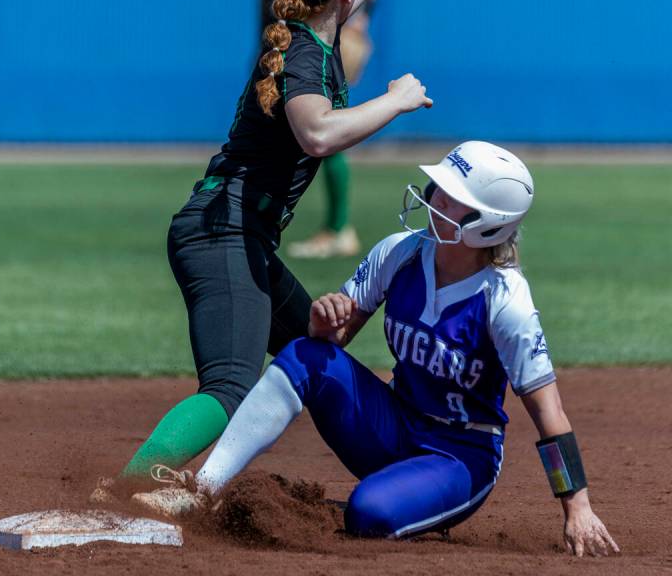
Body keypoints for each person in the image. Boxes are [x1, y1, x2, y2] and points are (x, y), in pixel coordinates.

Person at [130, 142, 620, 558]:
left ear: (486, 225)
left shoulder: (505, 302)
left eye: (451, 197)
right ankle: (203, 489)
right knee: (304, 354)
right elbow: (332, 343)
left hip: (458, 455)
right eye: (438, 188)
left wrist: (577, 506)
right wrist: (324, 323)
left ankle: (407, 502)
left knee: (369, 512)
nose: (433, 197)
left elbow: (549, 413)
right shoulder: (400, 252)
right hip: (394, 422)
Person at [90, 0, 431, 505]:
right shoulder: (303, 54)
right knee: (229, 386)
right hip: (221, 234)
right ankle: (124, 491)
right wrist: (394, 102)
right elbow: (317, 133)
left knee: (317, 347)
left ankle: (371, 470)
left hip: (240, 235)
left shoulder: (319, 20)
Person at [262, 0, 374, 259]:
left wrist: (358, 23)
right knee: (283, 131)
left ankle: (338, 226)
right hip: (283, 39)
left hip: (332, 35)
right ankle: (278, 220)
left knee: (323, 129)